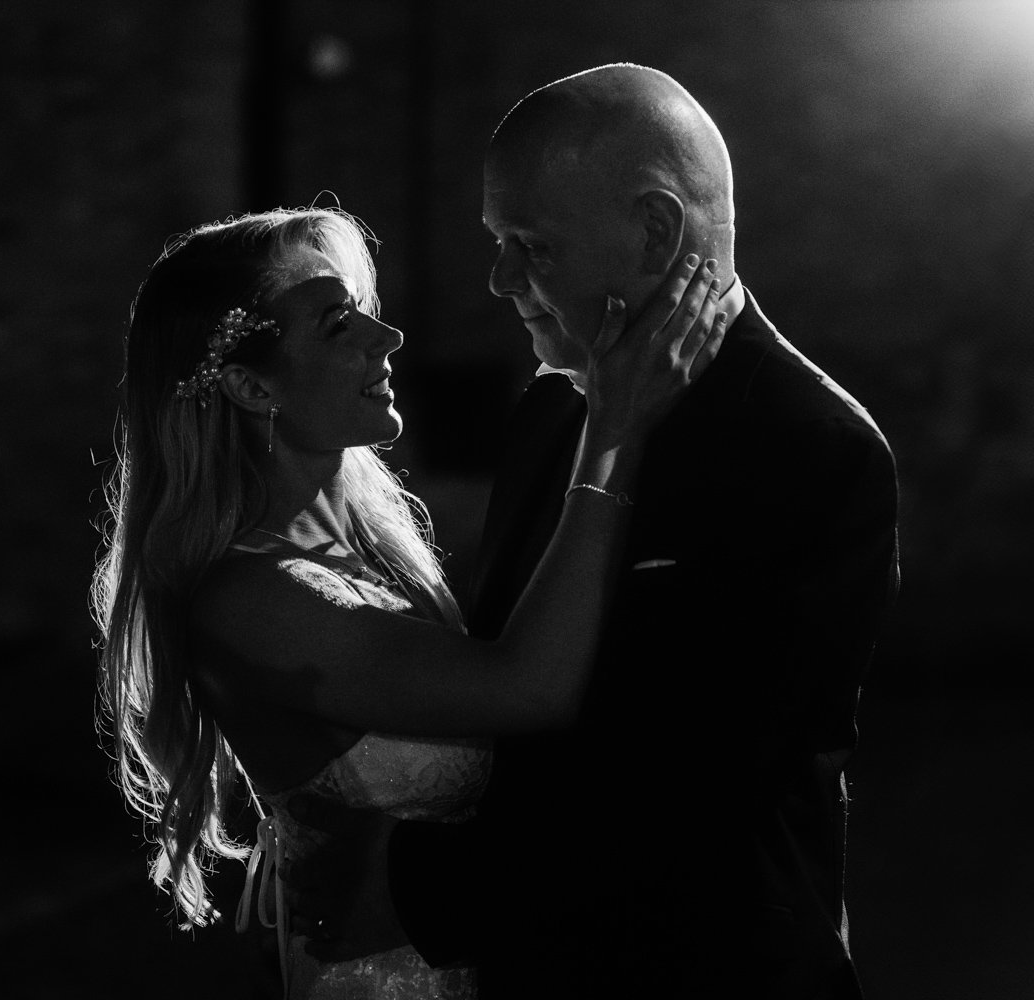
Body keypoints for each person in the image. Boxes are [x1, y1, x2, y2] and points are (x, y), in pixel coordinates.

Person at [296, 64, 901, 997]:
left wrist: (399, 888)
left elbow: (686, 792)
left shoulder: (811, 447)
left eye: (531, 245)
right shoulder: (550, 413)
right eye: (497, 242)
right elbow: (506, 680)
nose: (500, 280)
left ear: (656, 233)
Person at [92, 206, 727, 998]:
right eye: (336, 324)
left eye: (366, 309)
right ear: (252, 386)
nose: (385, 340)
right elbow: (528, 687)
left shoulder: (366, 547)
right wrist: (615, 434)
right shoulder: (253, 598)